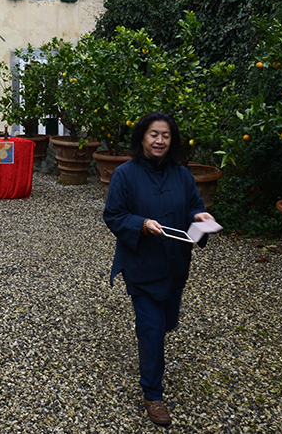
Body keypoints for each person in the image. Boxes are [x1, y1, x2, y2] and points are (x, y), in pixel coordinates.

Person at [102, 111, 215, 427]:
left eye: (165, 135)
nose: (160, 141)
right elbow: (113, 215)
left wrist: (200, 218)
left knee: (167, 322)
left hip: (175, 263)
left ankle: (150, 344)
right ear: (142, 137)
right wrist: (141, 224)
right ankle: (153, 394)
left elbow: (193, 205)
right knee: (152, 329)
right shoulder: (125, 174)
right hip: (141, 265)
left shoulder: (181, 175)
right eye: (154, 134)